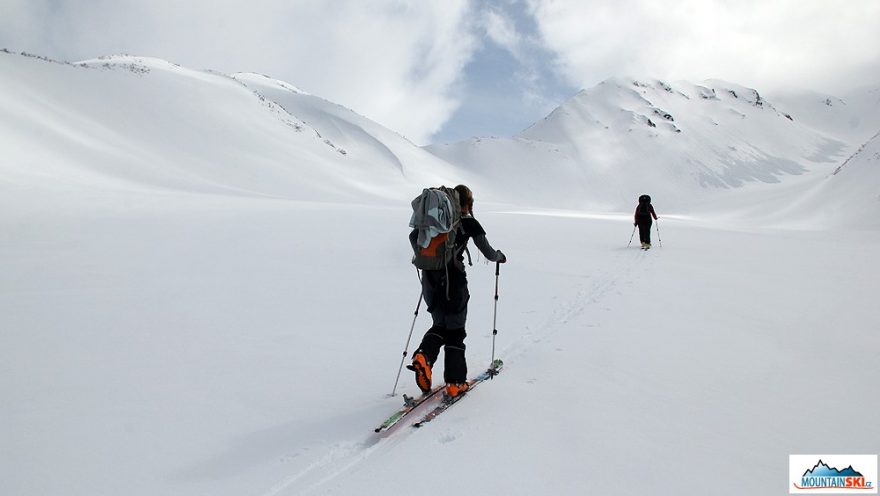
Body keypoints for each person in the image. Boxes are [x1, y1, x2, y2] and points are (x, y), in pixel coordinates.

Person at [408, 185, 506, 398]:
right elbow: (488, 252)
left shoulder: (433, 223)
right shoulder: (469, 222)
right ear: (467, 204)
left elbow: (413, 237)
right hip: (454, 282)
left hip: (429, 280)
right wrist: (500, 257)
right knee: (455, 331)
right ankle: (455, 383)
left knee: (440, 325)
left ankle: (424, 356)